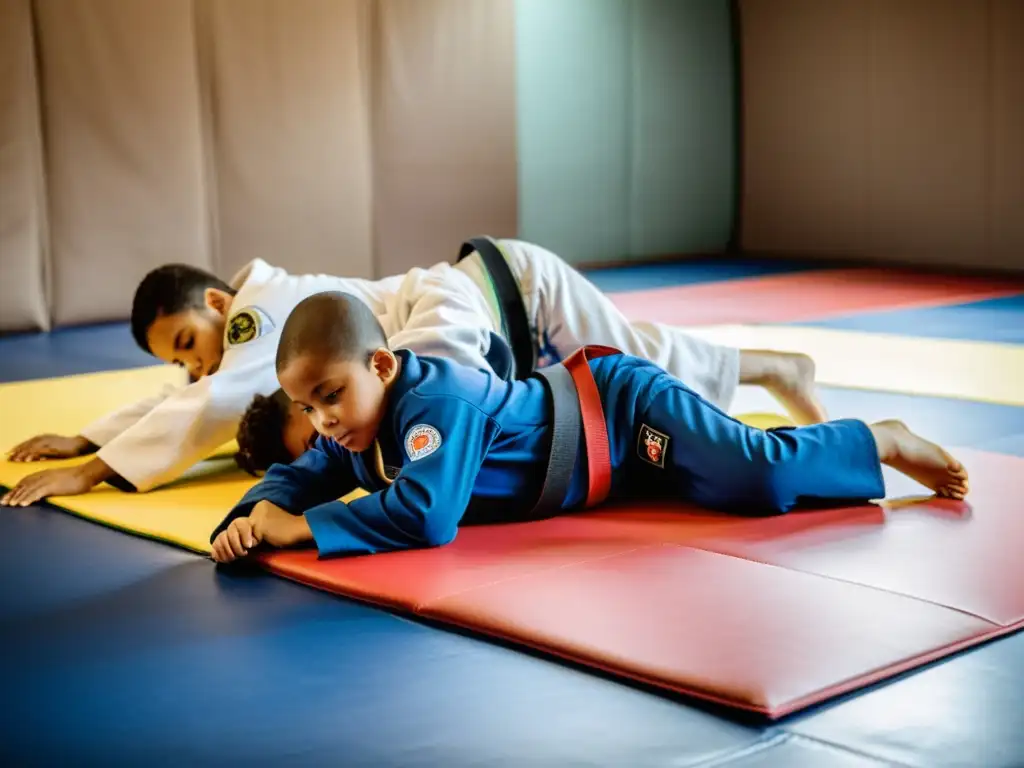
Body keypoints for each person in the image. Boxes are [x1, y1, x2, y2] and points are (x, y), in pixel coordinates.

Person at [2, 237, 823, 506]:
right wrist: (90, 432)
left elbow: (218, 399)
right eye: (177, 358)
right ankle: (776, 364)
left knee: (642, 368)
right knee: (641, 353)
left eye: (187, 341)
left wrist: (95, 471)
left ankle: (780, 369)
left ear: (218, 305)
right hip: (494, 318)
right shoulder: (256, 347)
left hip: (505, 295)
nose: (193, 365)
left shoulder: (259, 318)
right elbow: (194, 399)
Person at [209, 291, 968, 564]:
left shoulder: (433, 406)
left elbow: (428, 515)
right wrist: (247, 517)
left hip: (617, 413)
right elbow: (302, 472)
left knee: (756, 479)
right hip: (609, 474)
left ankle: (882, 438)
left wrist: (300, 531)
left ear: (380, 366)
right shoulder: (355, 433)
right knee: (722, 480)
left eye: (329, 396)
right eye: (307, 407)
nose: (322, 420)